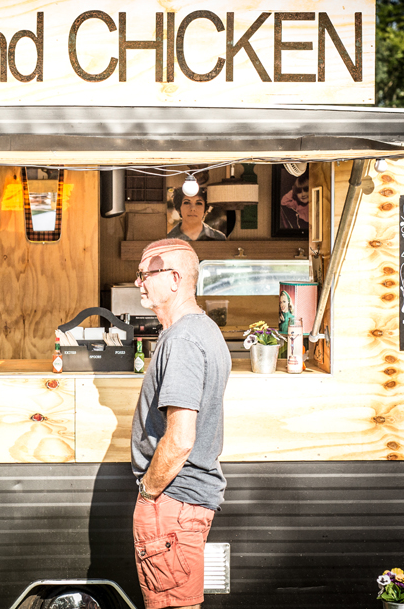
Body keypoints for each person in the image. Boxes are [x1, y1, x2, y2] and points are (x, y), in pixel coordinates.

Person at [131, 238, 231, 609]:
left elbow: (181, 438)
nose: (139, 282)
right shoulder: (202, 331)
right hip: (182, 503)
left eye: (145, 274)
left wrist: (147, 493)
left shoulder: (184, 339)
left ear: (174, 278)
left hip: (173, 502)